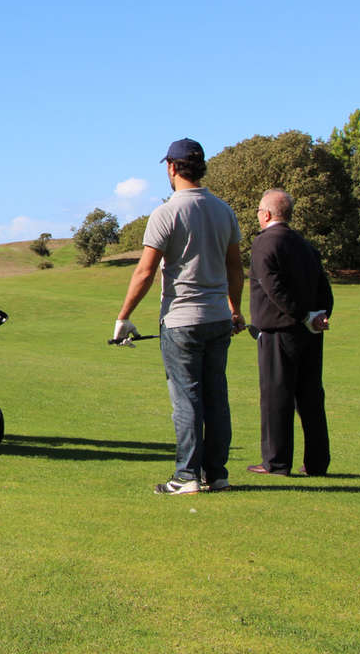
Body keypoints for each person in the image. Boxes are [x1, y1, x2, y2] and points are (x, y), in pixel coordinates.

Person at [113, 138, 245, 495]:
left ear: (171, 167)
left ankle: (187, 476)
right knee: (216, 398)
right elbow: (236, 268)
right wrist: (236, 309)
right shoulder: (223, 210)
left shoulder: (166, 212)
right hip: (218, 317)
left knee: (187, 400)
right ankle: (217, 475)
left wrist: (123, 316)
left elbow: (144, 271)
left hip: (180, 320)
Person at [246, 188, 334, 476]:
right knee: (310, 398)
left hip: (279, 331)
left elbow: (273, 289)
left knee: (276, 397)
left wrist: (300, 315)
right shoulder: (306, 246)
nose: (258, 214)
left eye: (260, 210)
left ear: (267, 214)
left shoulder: (264, 244)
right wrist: (319, 315)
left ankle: (276, 462)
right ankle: (317, 462)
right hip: (310, 332)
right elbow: (324, 287)